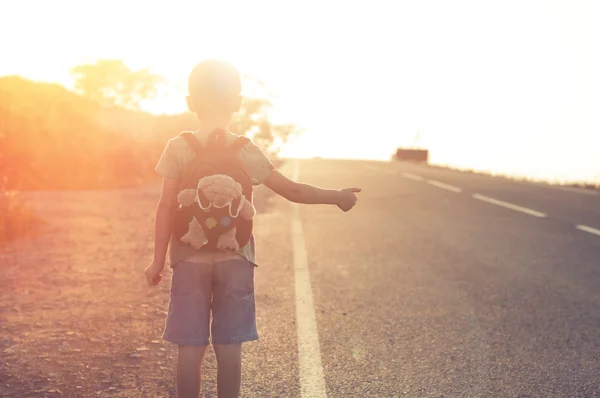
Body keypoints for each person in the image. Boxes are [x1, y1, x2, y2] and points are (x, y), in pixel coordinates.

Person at [144, 58, 360, 398]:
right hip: (236, 258)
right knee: (229, 347)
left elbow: (166, 206)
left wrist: (158, 260)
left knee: (190, 346)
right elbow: (292, 190)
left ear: (190, 103)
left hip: (188, 258)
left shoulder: (178, 147)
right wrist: (337, 196)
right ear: (238, 103)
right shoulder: (246, 150)